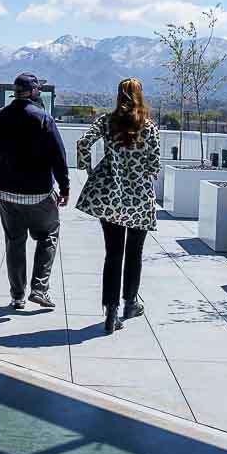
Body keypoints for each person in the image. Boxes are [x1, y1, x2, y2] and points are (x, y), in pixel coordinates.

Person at [76, 77, 161, 333]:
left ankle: (111, 313)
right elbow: (154, 165)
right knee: (134, 253)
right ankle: (130, 303)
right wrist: (141, 172)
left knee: (113, 254)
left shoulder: (106, 121)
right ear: (140, 96)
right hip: (139, 198)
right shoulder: (148, 127)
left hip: (110, 196)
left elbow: (83, 143)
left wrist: (90, 170)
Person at [0, 72, 69, 310]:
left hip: (7, 193)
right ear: (32, 92)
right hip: (40, 193)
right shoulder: (44, 119)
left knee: (14, 242)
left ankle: (17, 296)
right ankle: (39, 289)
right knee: (49, 235)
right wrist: (65, 187)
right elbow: (59, 156)